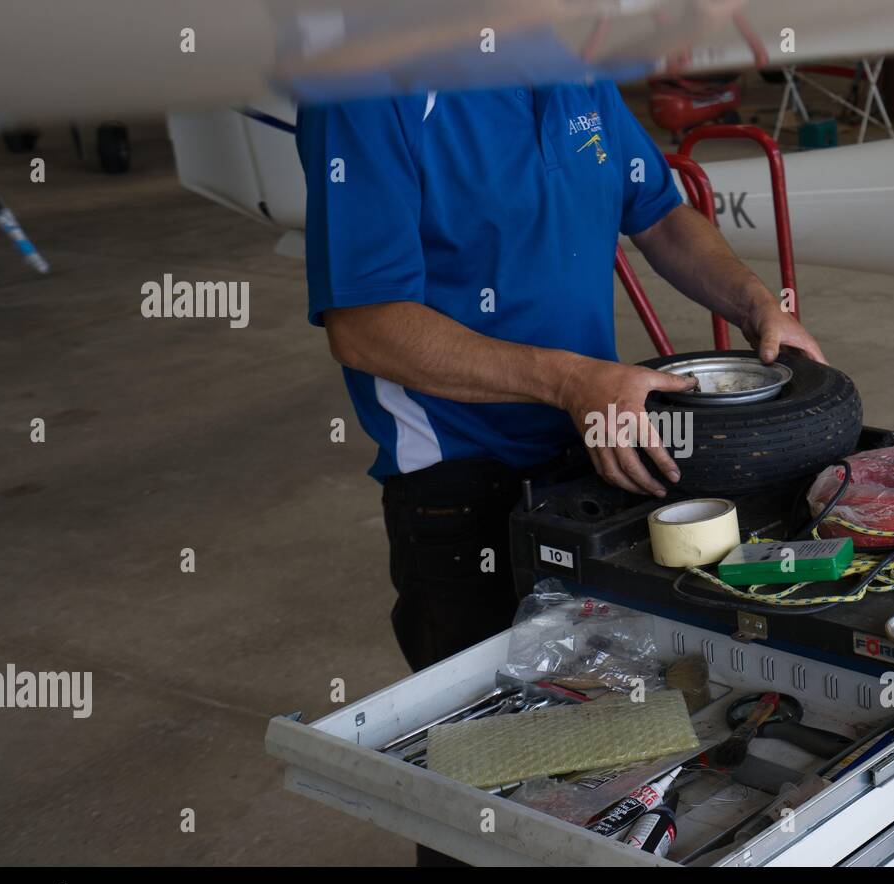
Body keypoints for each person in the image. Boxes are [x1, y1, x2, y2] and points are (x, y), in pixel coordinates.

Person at [297, 81, 825, 677]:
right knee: (490, 739)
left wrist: (757, 306)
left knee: (615, 707)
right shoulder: (367, 89)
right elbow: (364, 325)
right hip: (462, 488)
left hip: (594, 455)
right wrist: (570, 381)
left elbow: (660, 214)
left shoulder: (573, 67)